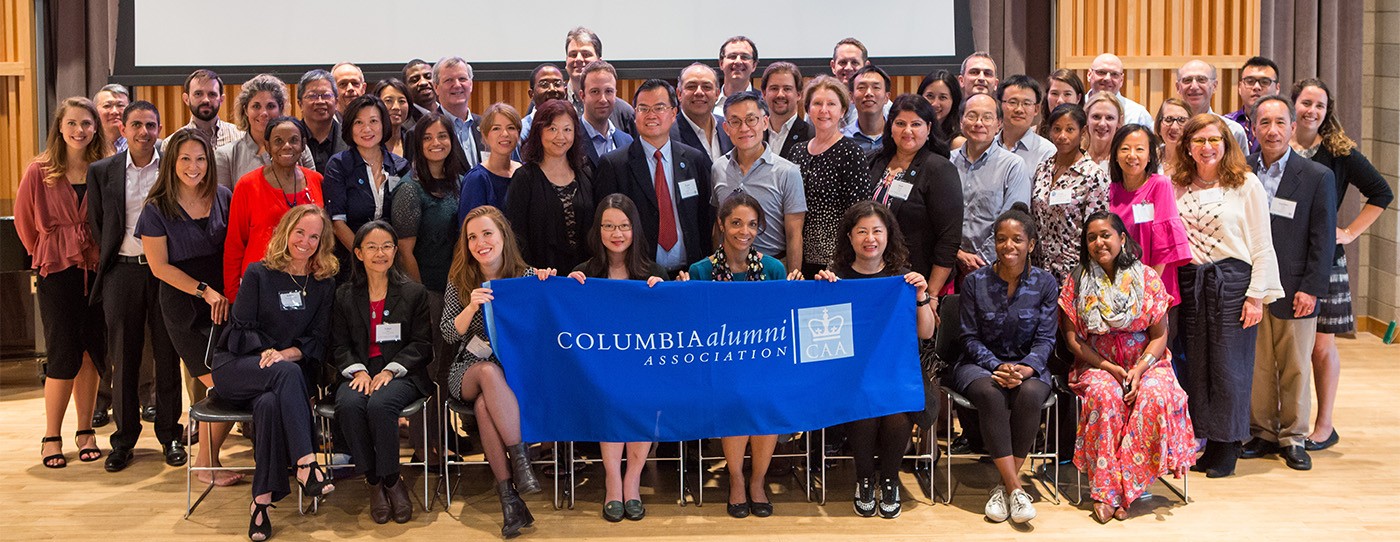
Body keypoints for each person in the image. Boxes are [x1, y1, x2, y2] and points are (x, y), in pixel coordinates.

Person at [210, 205, 338, 541]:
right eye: (300, 233)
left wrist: (284, 354)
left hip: (281, 374)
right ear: (286, 231)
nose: (306, 242)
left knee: (269, 402)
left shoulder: (323, 284)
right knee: (285, 373)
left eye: (314, 236)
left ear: (322, 242)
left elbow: (318, 339)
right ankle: (307, 465)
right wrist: (267, 353)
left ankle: (260, 504)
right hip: (238, 366)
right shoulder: (259, 273)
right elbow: (239, 329)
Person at [1058, 211, 1195, 523]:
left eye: (1106, 234)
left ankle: (1127, 486)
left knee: (1155, 395)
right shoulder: (1076, 281)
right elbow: (1073, 341)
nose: (1098, 242)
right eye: (1091, 237)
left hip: (1147, 362)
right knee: (1105, 397)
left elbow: (1160, 335)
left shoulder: (1147, 278)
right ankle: (1106, 491)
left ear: (1122, 238)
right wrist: (1109, 367)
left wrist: (1140, 368)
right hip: (1097, 363)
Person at [1173, 114, 1283, 478]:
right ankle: (1206, 439)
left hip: (1233, 282)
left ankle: (1228, 445)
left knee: (1229, 368)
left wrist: (1255, 297)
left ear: (1226, 144)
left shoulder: (1245, 184)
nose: (1207, 147)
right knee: (1196, 367)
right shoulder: (1177, 185)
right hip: (1191, 281)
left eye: (1213, 140)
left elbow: (1263, 246)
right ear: (1187, 146)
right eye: (1199, 140)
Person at [1290, 78, 1394, 452]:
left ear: (1326, 111)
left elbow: (1382, 192)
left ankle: (1324, 425)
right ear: (1293, 105)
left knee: (1321, 347)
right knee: (1289, 348)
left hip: (1325, 260)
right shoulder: (1275, 145)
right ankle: (1285, 423)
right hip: (1285, 257)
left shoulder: (1339, 150)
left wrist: (1348, 231)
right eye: (1306, 103)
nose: (1312, 111)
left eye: (1319, 105)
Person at [814, 202, 935, 519]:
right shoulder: (835, 278)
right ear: (850, 237)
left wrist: (922, 296)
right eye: (862, 231)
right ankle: (864, 479)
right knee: (865, 403)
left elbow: (926, 332)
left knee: (897, 408)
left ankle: (890, 479)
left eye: (877, 231)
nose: (870, 238)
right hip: (851, 373)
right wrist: (819, 292)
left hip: (898, 369)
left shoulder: (903, 279)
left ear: (888, 235)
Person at [86, 101, 187, 472]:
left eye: (151, 125)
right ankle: (123, 440)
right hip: (123, 272)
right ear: (124, 129)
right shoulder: (103, 171)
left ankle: (170, 434)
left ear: (160, 128)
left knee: (167, 354)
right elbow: (99, 224)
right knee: (124, 358)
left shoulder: (173, 167)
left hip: (165, 273)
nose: (144, 132)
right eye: (137, 125)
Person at [135, 128, 239, 485]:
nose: (193, 167)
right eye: (185, 159)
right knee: (225, 385)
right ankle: (207, 465)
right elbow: (159, 267)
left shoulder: (224, 195)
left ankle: (209, 463)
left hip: (225, 302)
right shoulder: (157, 207)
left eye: (200, 159)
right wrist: (204, 291)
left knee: (231, 384)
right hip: (185, 304)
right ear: (171, 164)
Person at [1240, 96, 1337, 471]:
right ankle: (1263, 431)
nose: (1272, 130)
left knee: (1296, 363)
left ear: (1293, 128)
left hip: (1297, 286)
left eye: (1280, 122)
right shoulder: (1241, 170)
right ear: (1254, 128)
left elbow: (1323, 238)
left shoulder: (1316, 177)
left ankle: (1294, 436)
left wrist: (1312, 288)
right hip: (1253, 287)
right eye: (1264, 123)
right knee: (1259, 364)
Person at [442, 205, 551, 538]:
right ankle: (522, 464)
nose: (480, 242)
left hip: (515, 373)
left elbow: (552, 319)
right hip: (468, 370)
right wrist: (472, 305)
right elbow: (448, 332)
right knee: (488, 373)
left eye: (487, 233)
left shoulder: (528, 276)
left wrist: (555, 283)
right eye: (472, 237)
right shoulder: (460, 278)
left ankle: (510, 502)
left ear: (503, 235)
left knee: (484, 408)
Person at [676, 193, 787, 518]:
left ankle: (757, 481)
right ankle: (737, 479)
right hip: (717, 369)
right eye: (736, 223)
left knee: (763, 397)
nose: (744, 231)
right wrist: (682, 296)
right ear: (722, 224)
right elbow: (689, 328)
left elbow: (783, 319)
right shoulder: (699, 271)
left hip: (763, 365)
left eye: (752, 224)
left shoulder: (773, 268)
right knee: (737, 396)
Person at [15, 97, 107, 469]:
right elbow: (24, 224)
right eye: (71, 123)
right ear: (60, 127)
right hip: (57, 271)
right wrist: (50, 251)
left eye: (86, 123)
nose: (79, 130)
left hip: (97, 270)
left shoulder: (104, 168)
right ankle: (51, 435)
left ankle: (85, 431)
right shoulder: (39, 170)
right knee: (62, 353)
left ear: (95, 128)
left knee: (90, 352)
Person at [953, 203, 1056, 525]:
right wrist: (997, 366)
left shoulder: (1046, 283)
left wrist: (1025, 368)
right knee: (991, 393)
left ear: (1031, 244)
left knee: (1029, 394)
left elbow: (1046, 340)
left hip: (1029, 365)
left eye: (1017, 240)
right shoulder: (974, 282)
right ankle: (1015, 487)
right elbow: (969, 338)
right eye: (1001, 239)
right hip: (979, 364)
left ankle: (1002, 487)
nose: (1008, 246)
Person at [566, 195, 667, 522]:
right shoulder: (584, 273)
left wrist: (664, 295)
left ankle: (632, 480)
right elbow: (568, 320)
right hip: (599, 371)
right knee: (610, 397)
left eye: (623, 226)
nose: (616, 233)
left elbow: (669, 325)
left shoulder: (653, 272)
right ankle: (612, 481)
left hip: (644, 368)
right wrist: (567, 291)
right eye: (608, 226)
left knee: (640, 397)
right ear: (598, 231)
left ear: (634, 230)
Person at [331, 221, 433, 524]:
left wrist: (390, 370)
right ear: (359, 253)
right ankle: (373, 481)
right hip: (359, 373)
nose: (381, 253)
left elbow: (421, 344)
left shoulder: (414, 292)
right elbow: (338, 345)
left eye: (387, 246)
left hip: (402, 373)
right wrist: (358, 372)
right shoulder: (344, 295)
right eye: (372, 247)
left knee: (380, 404)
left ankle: (392, 479)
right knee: (349, 404)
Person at [391, 111, 472, 464]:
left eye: (443, 136)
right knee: (429, 367)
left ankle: (442, 438)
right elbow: (405, 250)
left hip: (459, 290)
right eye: (427, 138)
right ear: (416, 144)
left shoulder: (461, 182)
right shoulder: (410, 189)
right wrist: (422, 295)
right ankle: (426, 448)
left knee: (447, 368)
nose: (436, 143)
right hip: (429, 292)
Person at [594, 80, 715, 275]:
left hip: (689, 274)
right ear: (635, 115)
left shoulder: (695, 160)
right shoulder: (614, 164)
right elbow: (605, 224)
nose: (651, 115)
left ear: (673, 113)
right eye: (643, 108)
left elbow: (704, 219)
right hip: (639, 274)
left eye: (659, 107)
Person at [866, 94, 962, 300]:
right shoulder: (874, 161)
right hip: (876, 277)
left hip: (920, 281)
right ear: (890, 127)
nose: (907, 131)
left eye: (916, 124)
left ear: (928, 129)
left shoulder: (939, 169)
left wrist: (932, 294)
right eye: (900, 123)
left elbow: (949, 238)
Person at [225, 116, 325, 304]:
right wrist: (233, 296)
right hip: (260, 285)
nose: (286, 146)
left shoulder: (316, 181)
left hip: (307, 283)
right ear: (267, 146)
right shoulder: (247, 185)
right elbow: (234, 244)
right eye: (278, 141)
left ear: (303, 145)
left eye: (294, 140)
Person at [711, 91, 807, 274]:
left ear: (764, 122)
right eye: (735, 122)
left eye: (751, 119)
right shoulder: (718, 168)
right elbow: (718, 225)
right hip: (728, 271)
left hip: (773, 268)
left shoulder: (787, 172)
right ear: (726, 128)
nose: (744, 128)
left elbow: (794, 234)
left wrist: (794, 280)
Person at [790, 75, 872, 277]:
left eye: (831, 104)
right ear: (807, 108)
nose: (823, 110)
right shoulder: (796, 151)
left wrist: (839, 262)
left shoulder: (851, 152)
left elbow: (858, 212)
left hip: (837, 260)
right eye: (817, 103)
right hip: (799, 255)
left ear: (842, 110)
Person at [324, 95, 410, 277]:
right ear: (350, 127)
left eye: (373, 121)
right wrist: (366, 257)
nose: (367, 129)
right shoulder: (339, 165)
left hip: (393, 264)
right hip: (352, 263)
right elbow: (337, 223)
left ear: (384, 124)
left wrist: (386, 259)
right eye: (359, 123)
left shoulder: (400, 166)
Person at [505, 99, 595, 271]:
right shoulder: (524, 178)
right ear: (539, 132)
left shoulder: (585, 173)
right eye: (552, 129)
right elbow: (517, 236)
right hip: (542, 279)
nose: (560, 137)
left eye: (567, 129)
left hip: (585, 278)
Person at [1107, 124, 1191, 307]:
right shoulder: (1110, 190)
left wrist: (1146, 289)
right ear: (1115, 154)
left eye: (1139, 149)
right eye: (1125, 149)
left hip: (1154, 288)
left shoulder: (1159, 185)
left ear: (1150, 155)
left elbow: (1164, 242)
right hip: (1119, 290)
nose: (1132, 155)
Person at [1030, 103, 1109, 283]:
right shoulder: (1043, 168)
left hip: (1075, 271)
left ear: (1082, 133)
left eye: (1070, 129)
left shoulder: (1093, 175)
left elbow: (1096, 229)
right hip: (1039, 269)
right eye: (1057, 129)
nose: (1062, 136)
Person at [953, 93, 1030, 274]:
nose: (979, 123)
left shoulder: (1013, 166)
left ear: (999, 125)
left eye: (987, 117)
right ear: (961, 122)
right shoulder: (947, 162)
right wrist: (958, 254)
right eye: (971, 116)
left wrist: (980, 261)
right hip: (950, 266)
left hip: (997, 267)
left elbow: (1013, 220)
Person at [214, 74, 315, 188]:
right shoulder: (226, 156)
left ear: (280, 109)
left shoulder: (300, 149)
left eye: (270, 106)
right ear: (246, 110)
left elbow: (312, 191)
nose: (264, 113)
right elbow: (224, 202)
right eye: (256, 106)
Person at [562, 27, 637, 135]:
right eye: (573, 54)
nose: (578, 59)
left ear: (599, 61)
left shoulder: (624, 112)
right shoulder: (551, 103)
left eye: (586, 54)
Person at [460, 103, 523, 216]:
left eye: (511, 128)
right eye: (496, 128)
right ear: (485, 135)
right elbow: (469, 227)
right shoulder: (476, 179)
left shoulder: (526, 173)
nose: (505, 134)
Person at [1174, 60, 1250, 150]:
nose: (1194, 86)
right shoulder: (1167, 131)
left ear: (1214, 86)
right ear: (1178, 87)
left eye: (1201, 80)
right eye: (1187, 80)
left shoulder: (1233, 132)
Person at [577, 60, 635, 168]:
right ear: (582, 96)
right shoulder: (571, 139)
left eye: (608, 91)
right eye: (595, 91)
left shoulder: (627, 141)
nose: (603, 99)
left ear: (615, 94)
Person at [994, 75, 1056, 175]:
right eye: (1012, 102)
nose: (1019, 109)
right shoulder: (988, 147)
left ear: (1036, 109)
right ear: (1000, 105)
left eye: (1026, 103)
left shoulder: (1047, 152)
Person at [673, 63, 732, 162]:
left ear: (717, 94)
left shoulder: (729, 127)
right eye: (691, 86)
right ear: (679, 94)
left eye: (707, 87)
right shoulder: (669, 133)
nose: (699, 92)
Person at [432, 56, 484, 169]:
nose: (457, 85)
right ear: (436, 87)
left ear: (471, 84)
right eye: (448, 80)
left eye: (462, 79)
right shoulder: (422, 131)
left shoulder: (486, 126)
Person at [1225, 56, 1281, 153]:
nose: (1256, 87)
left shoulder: (1285, 126)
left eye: (1264, 82)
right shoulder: (1225, 124)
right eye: (1250, 81)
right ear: (1239, 87)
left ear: (1277, 88)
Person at [299, 70, 348, 173]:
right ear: (300, 104)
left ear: (336, 102)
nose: (320, 101)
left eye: (326, 95)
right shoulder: (291, 139)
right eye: (312, 96)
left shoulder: (350, 137)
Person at [1085, 54, 1154, 127]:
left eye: (1114, 74)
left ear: (1121, 80)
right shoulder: (1076, 107)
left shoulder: (1138, 115)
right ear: (1089, 74)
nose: (1107, 78)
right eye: (1101, 72)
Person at [181, 69, 243, 149]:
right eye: (198, 94)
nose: (206, 100)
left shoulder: (241, 138)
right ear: (186, 99)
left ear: (221, 99)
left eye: (212, 94)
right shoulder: (171, 143)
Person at [761, 62, 811, 159]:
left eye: (787, 89)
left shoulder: (811, 135)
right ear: (764, 93)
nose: (780, 94)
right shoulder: (754, 134)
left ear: (798, 94)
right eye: (774, 88)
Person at [843, 65, 891, 155]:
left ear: (886, 97)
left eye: (876, 87)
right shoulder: (841, 139)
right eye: (861, 87)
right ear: (851, 97)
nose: (869, 93)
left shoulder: (897, 136)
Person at [518, 64, 569, 143]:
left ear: (565, 91)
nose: (552, 89)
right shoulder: (521, 133)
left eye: (557, 83)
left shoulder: (574, 127)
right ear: (531, 94)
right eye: (544, 84)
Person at [917, 70, 963, 151]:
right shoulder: (912, 133)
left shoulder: (957, 143)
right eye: (930, 96)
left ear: (954, 101)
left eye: (943, 97)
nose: (935, 104)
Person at [715, 36, 759, 115]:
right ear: (721, 64)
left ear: (754, 65)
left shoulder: (765, 103)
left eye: (744, 57)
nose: (738, 61)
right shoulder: (708, 102)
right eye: (732, 56)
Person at [1037, 68, 1084, 139]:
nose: (1060, 100)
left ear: (1078, 98)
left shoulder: (1087, 135)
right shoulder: (1035, 135)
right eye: (1054, 93)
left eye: (1067, 94)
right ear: (1047, 96)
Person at [373, 79, 413, 158]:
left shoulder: (414, 141)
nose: (396, 107)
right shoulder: (367, 141)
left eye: (401, 101)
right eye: (388, 101)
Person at [1084, 92, 1123, 170]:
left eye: (1109, 118)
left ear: (1119, 121)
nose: (1102, 124)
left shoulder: (1124, 160)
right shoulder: (1074, 156)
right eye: (1096, 117)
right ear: (1086, 119)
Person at [1155, 98, 1192, 176]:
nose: (1174, 127)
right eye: (1168, 119)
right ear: (1159, 126)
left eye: (1182, 120)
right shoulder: (1150, 157)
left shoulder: (1196, 160)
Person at [94, 84, 130, 154]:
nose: (114, 111)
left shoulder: (140, 144)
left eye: (120, 105)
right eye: (107, 106)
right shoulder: (87, 145)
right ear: (95, 111)